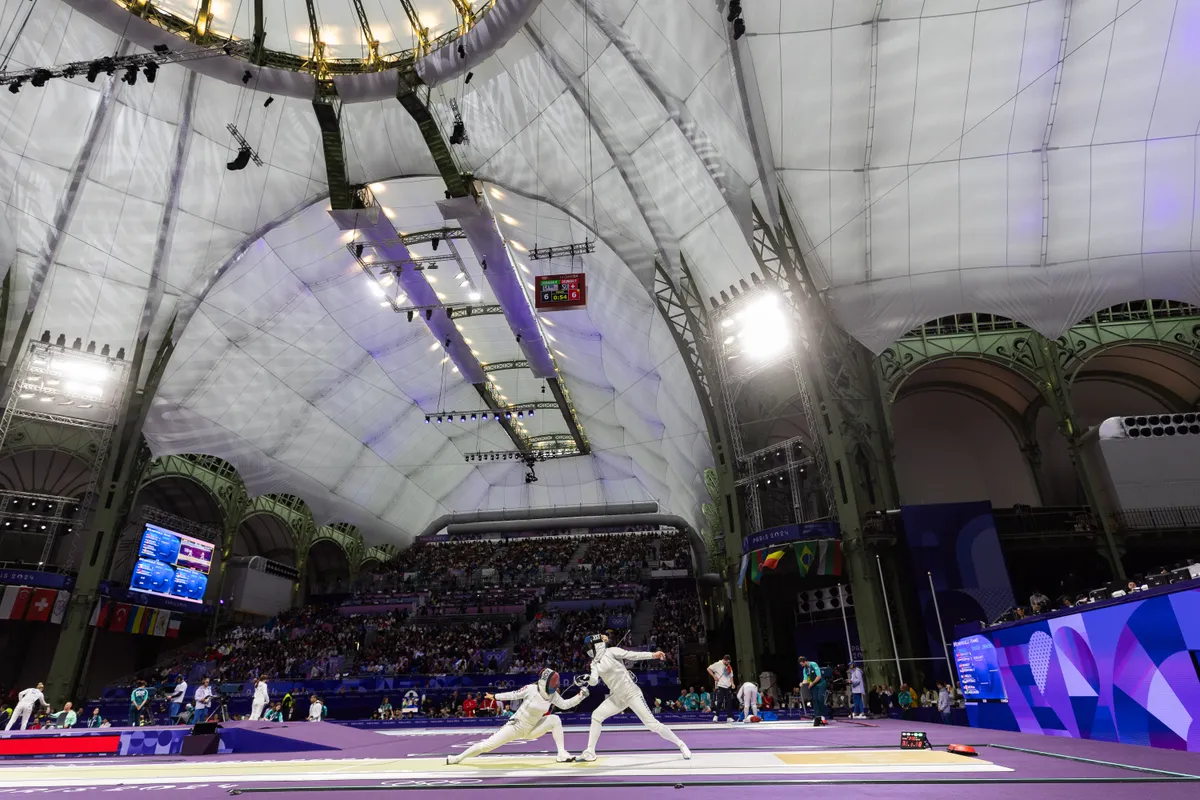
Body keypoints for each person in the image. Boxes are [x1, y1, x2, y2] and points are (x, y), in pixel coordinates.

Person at [579, 633, 691, 762]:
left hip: (632, 693)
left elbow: (632, 655)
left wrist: (652, 655)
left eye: (589, 646)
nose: (587, 649)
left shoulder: (611, 652)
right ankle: (590, 751)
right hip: (617, 697)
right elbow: (593, 681)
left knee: (652, 725)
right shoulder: (594, 663)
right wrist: (586, 679)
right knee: (596, 716)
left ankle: (681, 744)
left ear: (596, 645)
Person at [447, 668, 587, 764]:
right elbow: (513, 694)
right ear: (545, 682)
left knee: (555, 719)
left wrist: (581, 696)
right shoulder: (531, 689)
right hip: (516, 726)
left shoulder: (552, 695)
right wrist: (494, 696)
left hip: (532, 729)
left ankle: (562, 753)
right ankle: (458, 758)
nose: (555, 685)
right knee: (487, 746)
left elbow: (565, 705)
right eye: (552, 683)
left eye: (555, 683)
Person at [707, 654, 735, 723]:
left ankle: (729, 717)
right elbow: (708, 669)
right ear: (724, 660)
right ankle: (716, 716)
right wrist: (714, 676)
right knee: (719, 701)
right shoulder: (717, 664)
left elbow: (731, 676)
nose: (728, 663)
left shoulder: (729, 667)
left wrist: (732, 683)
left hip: (728, 686)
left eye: (729, 662)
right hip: (720, 685)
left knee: (729, 701)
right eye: (727, 662)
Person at [798, 656, 826, 721]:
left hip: (820, 684)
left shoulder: (813, 664)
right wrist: (802, 683)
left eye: (802, 664)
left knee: (820, 699)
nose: (802, 666)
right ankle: (817, 716)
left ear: (805, 662)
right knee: (814, 699)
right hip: (813, 685)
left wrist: (812, 683)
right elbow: (805, 679)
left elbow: (819, 676)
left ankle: (822, 715)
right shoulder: (804, 669)